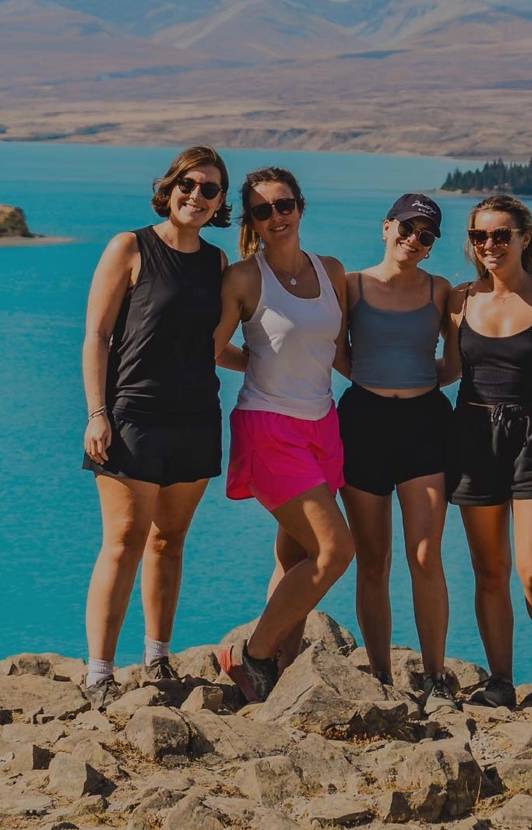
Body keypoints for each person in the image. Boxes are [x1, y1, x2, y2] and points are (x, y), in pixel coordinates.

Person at [80, 146, 232, 704]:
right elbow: (96, 336)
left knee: (170, 542)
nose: (197, 196)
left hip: (196, 417)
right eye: (188, 185)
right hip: (132, 415)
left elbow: (209, 347)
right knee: (123, 541)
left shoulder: (215, 263)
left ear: (220, 203)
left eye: (210, 189)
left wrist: (279, 360)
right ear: (168, 188)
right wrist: (97, 414)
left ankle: (157, 658)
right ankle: (98, 671)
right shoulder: (130, 246)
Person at [213, 167, 355, 703]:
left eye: (284, 204)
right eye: (262, 209)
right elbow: (210, 347)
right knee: (335, 550)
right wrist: (253, 362)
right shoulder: (244, 279)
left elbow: (337, 353)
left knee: (295, 559)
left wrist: (408, 382)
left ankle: (283, 669)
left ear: (300, 206)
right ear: (249, 220)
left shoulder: (332, 271)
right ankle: (251, 654)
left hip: (324, 425)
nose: (277, 216)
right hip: (269, 427)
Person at [444, 194, 532, 712]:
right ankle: (499, 680)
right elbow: (446, 370)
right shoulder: (458, 300)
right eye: (480, 236)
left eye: (502, 235)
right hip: (472, 436)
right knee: (489, 570)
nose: (490, 246)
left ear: (526, 238)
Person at [337, 193, 458, 713]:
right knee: (374, 559)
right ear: (385, 227)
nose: (413, 239)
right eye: (405, 228)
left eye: (425, 235)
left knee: (426, 555)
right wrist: (374, 381)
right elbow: (336, 351)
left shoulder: (440, 291)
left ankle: (436, 677)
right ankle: (381, 676)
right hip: (362, 422)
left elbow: (454, 362)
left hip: (425, 424)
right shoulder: (351, 286)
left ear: (431, 248)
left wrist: (412, 384)